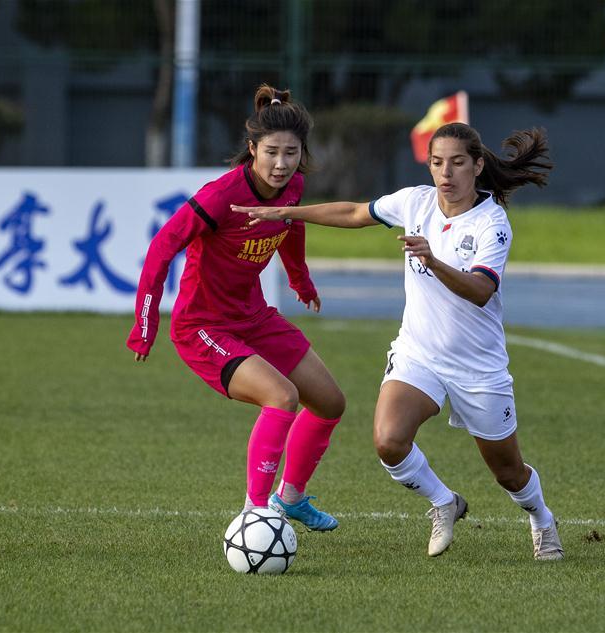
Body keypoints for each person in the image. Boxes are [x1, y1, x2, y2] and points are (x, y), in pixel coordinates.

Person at [232, 122, 564, 559]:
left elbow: (482, 290)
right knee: (389, 440)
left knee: (508, 472)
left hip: (477, 367)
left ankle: (541, 518)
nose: (446, 173)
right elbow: (354, 213)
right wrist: (288, 214)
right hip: (419, 354)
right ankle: (444, 502)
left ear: (478, 165)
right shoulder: (416, 201)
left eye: (458, 163)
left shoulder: (492, 223)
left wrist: (432, 259)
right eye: (437, 163)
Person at [126, 84, 345, 531]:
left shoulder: (294, 187)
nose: (281, 164)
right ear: (252, 150)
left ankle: (291, 498)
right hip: (202, 326)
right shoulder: (221, 195)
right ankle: (254, 513)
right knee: (281, 397)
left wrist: (300, 280)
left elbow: (292, 226)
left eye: (291, 153)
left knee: (329, 403)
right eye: (271, 153)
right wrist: (144, 326)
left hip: (255, 317)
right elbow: (162, 248)